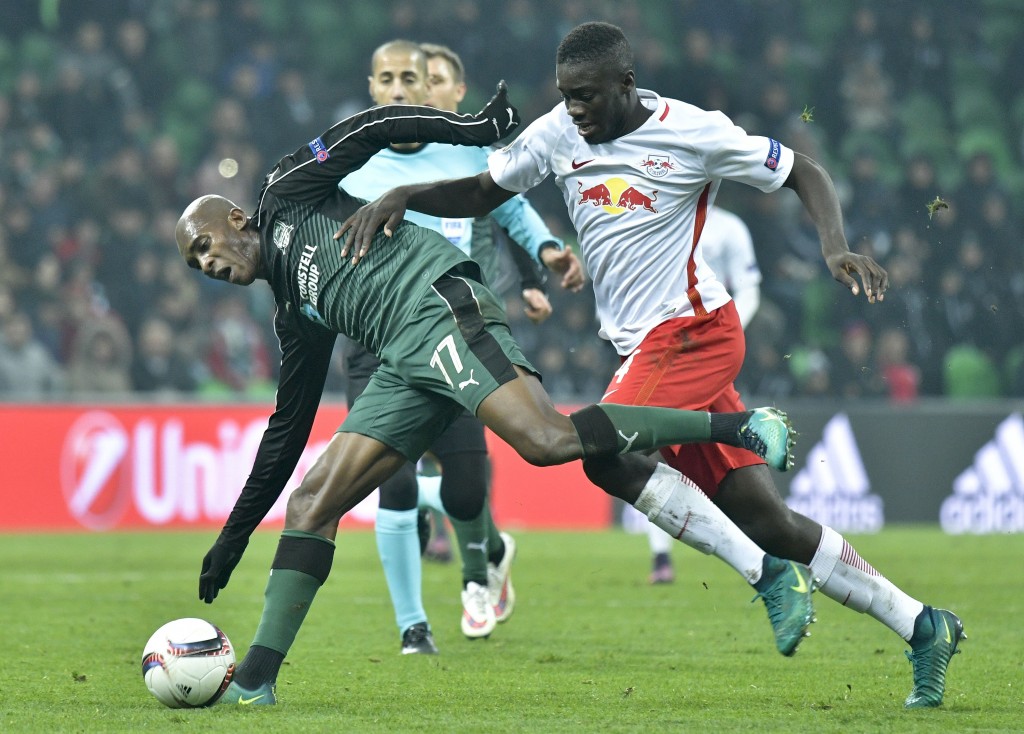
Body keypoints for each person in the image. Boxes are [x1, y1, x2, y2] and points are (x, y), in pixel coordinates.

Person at [338, 22, 963, 709]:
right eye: (565, 96)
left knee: (605, 455)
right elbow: (484, 190)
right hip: (643, 347)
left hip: (694, 331)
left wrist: (835, 247)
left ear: (625, 85)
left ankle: (765, 571)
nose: (574, 109)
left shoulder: (694, 131)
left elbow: (802, 171)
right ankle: (922, 624)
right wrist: (403, 194)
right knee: (770, 520)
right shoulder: (558, 132)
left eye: (586, 97)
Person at [177, 83, 812, 706]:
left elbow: (374, 129)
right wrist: (232, 539)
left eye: (204, 246)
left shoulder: (285, 194)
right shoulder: (295, 313)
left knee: (547, 441)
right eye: (194, 264)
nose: (206, 264)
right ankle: (256, 683)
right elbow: (286, 431)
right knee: (312, 502)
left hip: (436, 304)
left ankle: (739, 428)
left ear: (235, 220)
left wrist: (476, 132)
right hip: (400, 360)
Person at [337, 40, 577, 653]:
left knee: (465, 490)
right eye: (384, 77)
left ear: (425, 88)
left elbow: (512, 205)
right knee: (386, 483)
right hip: (377, 342)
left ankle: (487, 555)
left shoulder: (464, 151)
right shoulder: (346, 161)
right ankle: (412, 627)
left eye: (408, 78)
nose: (396, 88)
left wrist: (544, 254)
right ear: (371, 87)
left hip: (457, 338)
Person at [634, 205, 762, 584]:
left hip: (710, 348)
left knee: (726, 458)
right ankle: (661, 557)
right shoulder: (655, 214)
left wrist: (725, 336)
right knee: (653, 448)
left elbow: (749, 288)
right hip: (660, 350)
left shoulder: (730, 227)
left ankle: (764, 548)